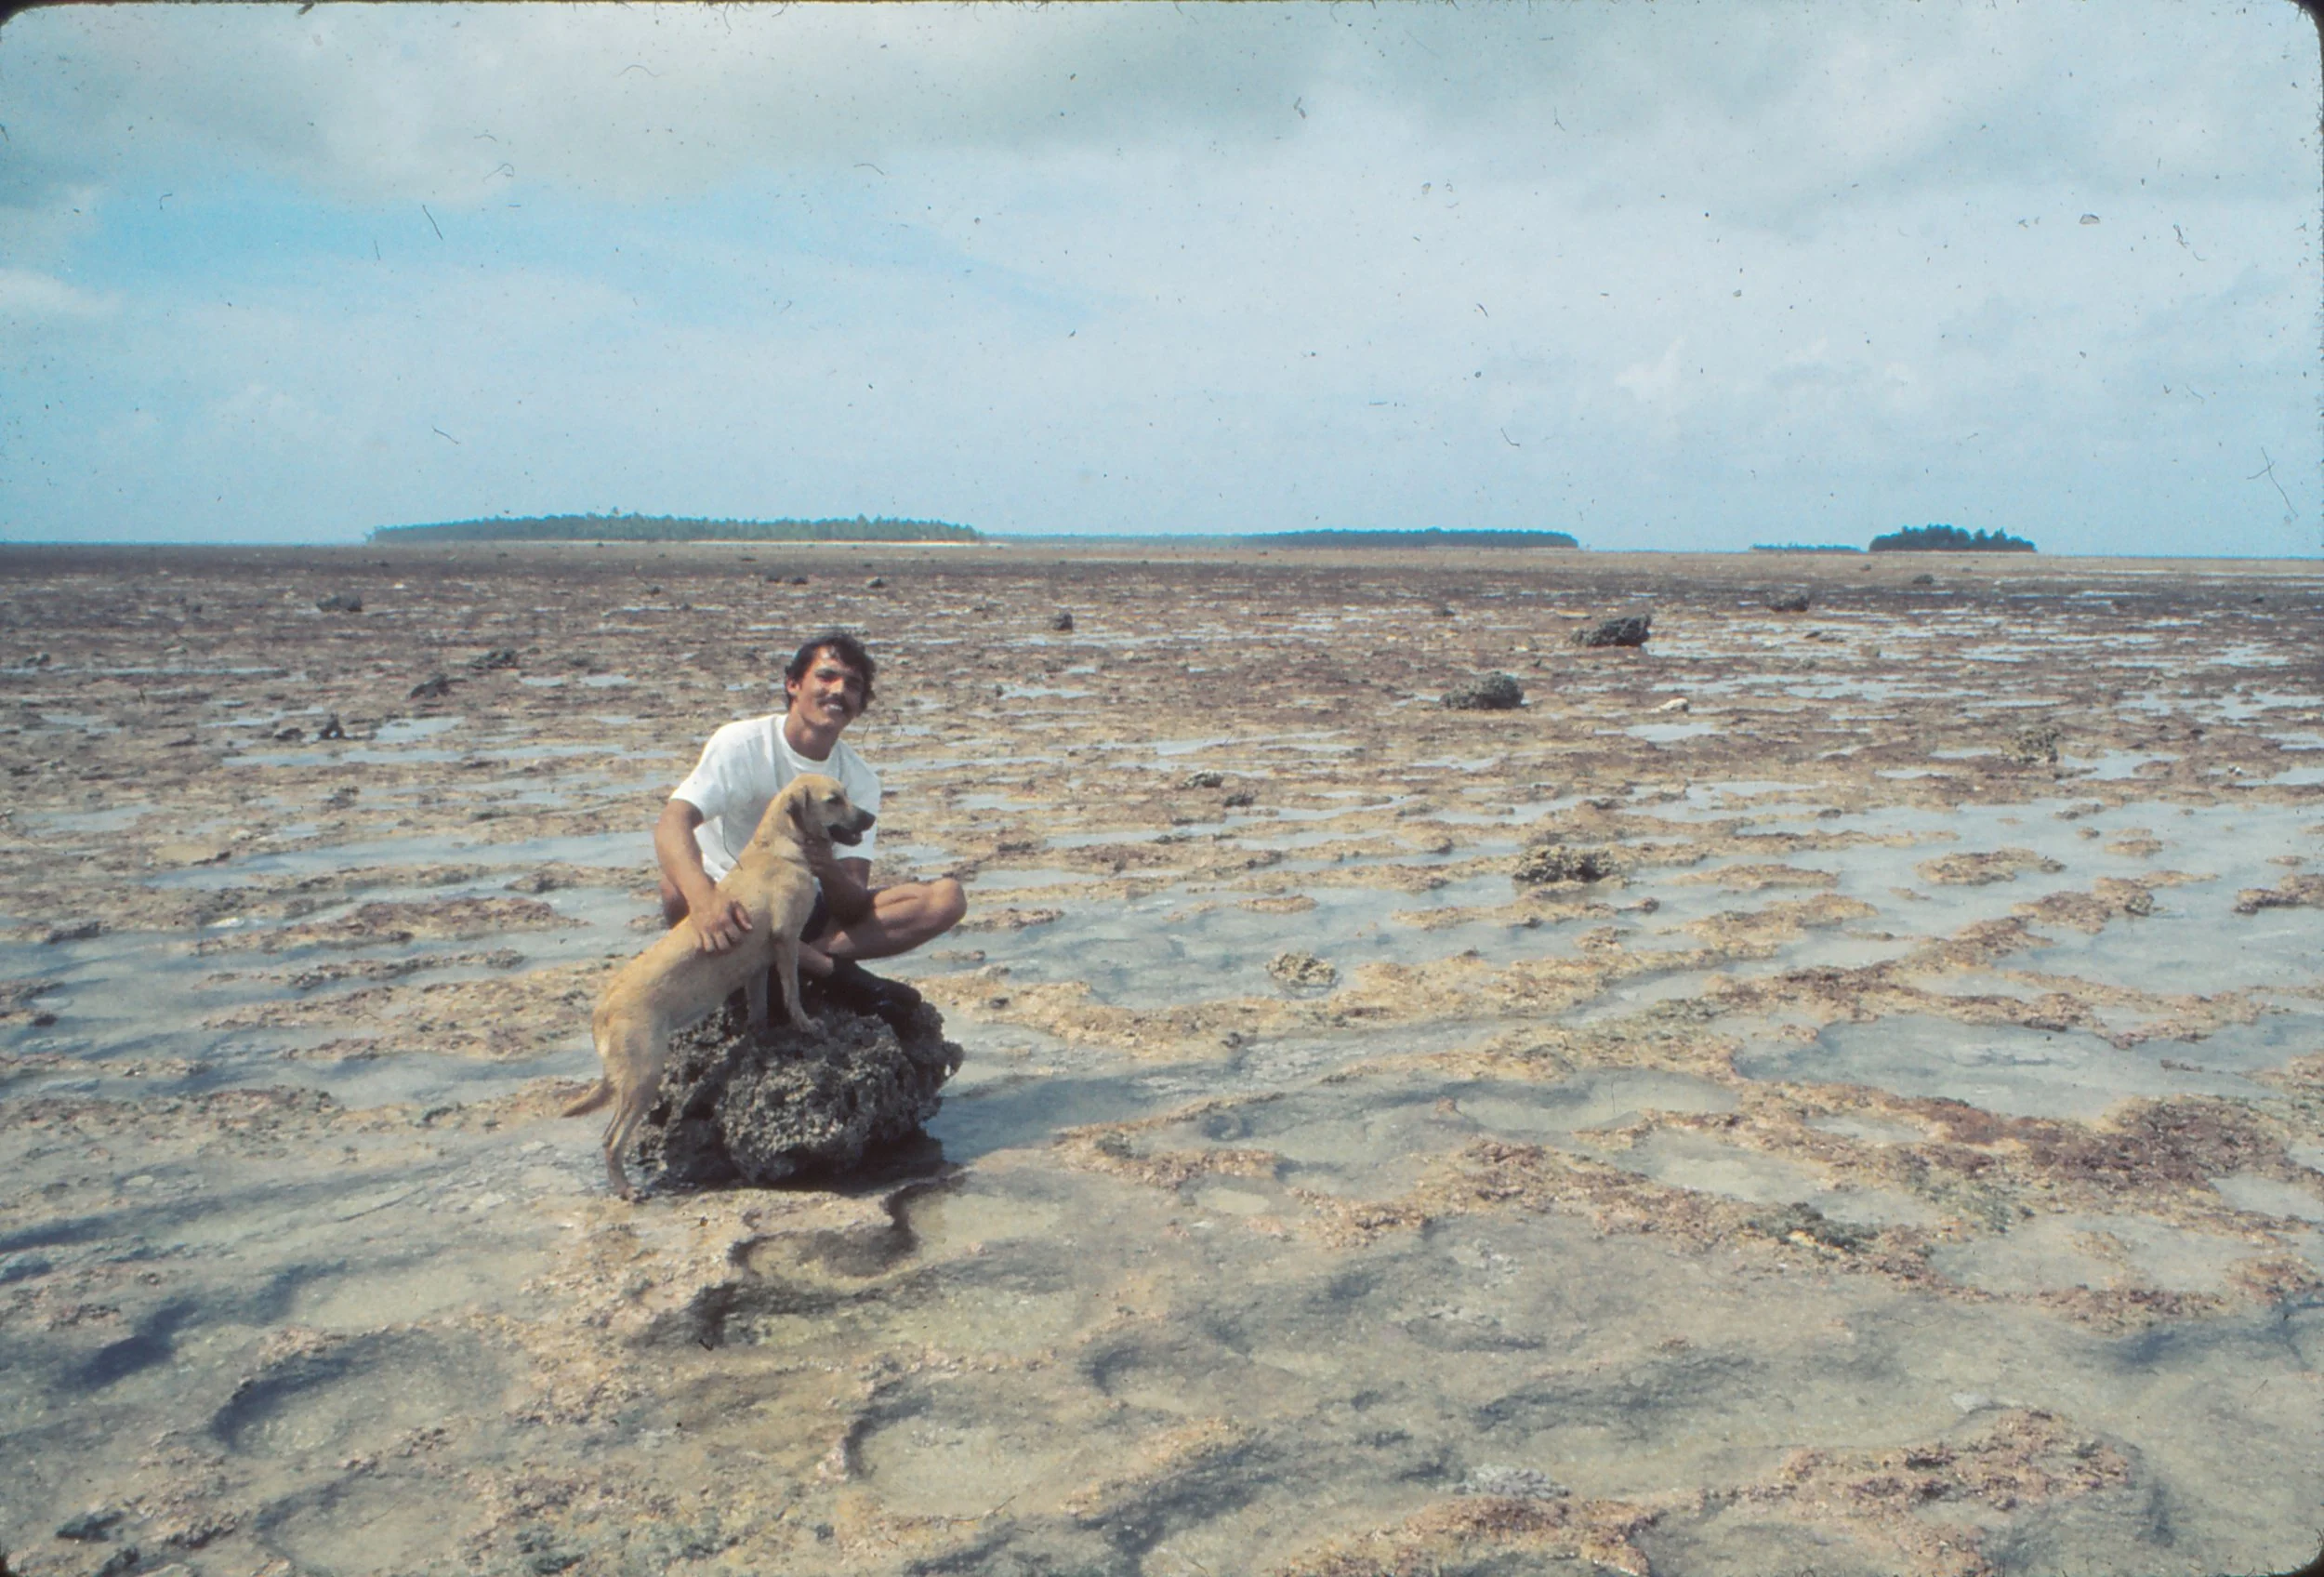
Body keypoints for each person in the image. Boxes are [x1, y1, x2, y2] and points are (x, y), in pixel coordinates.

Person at [654, 630, 966, 1023]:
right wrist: (703, 899)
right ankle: (821, 971)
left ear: (860, 705)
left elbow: (852, 902)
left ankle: (800, 960)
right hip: (737, 906)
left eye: (853, 685)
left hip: (803, 907)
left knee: (946, 898)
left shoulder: (859, 778)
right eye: (826, 676)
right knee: (674, 887)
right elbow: (672, 821)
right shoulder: (742, 744)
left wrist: (826, 866)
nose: (839, 690)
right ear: (793, 684)